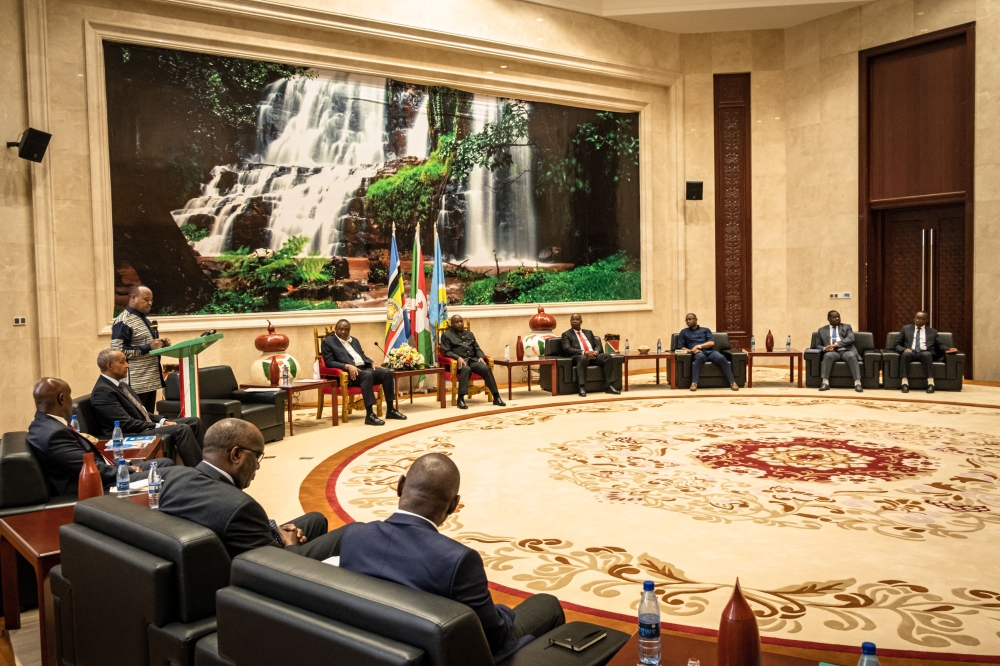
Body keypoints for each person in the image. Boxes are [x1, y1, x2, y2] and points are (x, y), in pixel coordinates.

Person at [339, 453, 564, 661]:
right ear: (454, 505)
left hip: (363, 653)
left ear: (400, 486)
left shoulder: (354, 536)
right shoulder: (458, 560)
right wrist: (503, 612)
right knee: (547, 604)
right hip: (442, 657)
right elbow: (494, 638)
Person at [159, 419, 347, 560]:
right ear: (236, 454)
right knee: (349, 534)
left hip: (223, 555)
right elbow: (279, 568)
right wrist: (290, 544)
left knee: (316, 519)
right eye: (257, 457)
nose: (257, 466)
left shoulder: (174, 479)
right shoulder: (241, 506)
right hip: (259, 575)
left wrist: (272, 529)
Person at [26, 377, 173, 496]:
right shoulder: (55, 434)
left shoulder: (42, 424)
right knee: (173, 474)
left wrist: (124, 465)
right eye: (70, 396)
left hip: (107, 471)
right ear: (62, 398)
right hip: (101, 486)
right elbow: (91, 470)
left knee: (165, 463)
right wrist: (129, 470)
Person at [90, 349, 205, 466]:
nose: (127, 365)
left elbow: (142, 411)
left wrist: (163, 421)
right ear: (110, 365)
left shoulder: (121, 385)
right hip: (129, 433)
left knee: (195, 422)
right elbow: (125, 424)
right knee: (182, 429)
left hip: (140, 426)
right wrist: (157, 425)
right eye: (122, 362)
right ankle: (199, 472)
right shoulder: (103, 391)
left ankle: (206, 464)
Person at [321, 319, 407, 426]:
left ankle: (390, 410)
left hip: (364, 369)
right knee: (367, 375)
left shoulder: (354, 340)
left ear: (349, 330)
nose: (343, 332)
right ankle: (370, 415)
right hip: (349, 374)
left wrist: (371, 362)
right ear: (336, 329)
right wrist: (347, 366)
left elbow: (362, 356)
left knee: (386, 373)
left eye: (346, 329)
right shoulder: (328, 342)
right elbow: (329, 362)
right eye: (340, 329)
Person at [111, 285, 171, 413]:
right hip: (136, 382)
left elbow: (146, 345)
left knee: (149, 419)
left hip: (150, 380)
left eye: (151, 300)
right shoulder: (124, 321)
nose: (150, 303)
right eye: (146, 299)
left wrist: (161, 344)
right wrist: (148, 347)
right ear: (133, 298)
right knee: (139, 419)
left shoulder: (143, 319)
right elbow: (117, 351)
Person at [440, 315, 505, 409]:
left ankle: (496, 397)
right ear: (452, 324)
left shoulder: (469, 334)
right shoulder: (446, 335)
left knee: (485, 368)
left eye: (461, 321)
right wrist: (458, 358)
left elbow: (477, 348)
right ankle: (460, 399)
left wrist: (481, 356)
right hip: (460, 362)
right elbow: (446, 351)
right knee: (466, 369)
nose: (460, 324)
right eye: (457, 322)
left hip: (473, 360)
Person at [893, 311, 958, 394]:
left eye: (920, 318)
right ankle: (904, 383)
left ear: (926, 320)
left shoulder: (932, 331)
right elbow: (897, 344)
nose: (917, 320)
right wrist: (903, 349)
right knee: (905, 354)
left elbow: (939, 344)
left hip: (925, 351)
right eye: (916, 318)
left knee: (927, 355)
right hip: (911, 351)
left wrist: (948, 349)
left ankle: (931, 383)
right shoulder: (906, 329)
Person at [558, 313, 622, 397]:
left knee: (607, 357)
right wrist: (584, 353)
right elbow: (567, 349)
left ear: (581, 321)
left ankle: (609, 386)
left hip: (593, 356)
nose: (574, 321)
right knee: (582, 358)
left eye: (577, 319)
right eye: (572, 319)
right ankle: (581, 387)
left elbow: (597, 345)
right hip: (578, 357)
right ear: (570, 321)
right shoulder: (566, 334)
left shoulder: (588, 332)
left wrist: (596, 352)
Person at [676, 313, 739, 391]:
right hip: (697, 353)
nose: (688, 321)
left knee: (721, 357)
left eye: (690, 319)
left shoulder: (705, 330)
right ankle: (694, 383)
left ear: (696, 320)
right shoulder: (684, 332)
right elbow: (681, 347)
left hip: (710, 352)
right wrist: (691, 351)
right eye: (686, 320)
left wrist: (698, 346)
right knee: (700, 357)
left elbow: (711, 343)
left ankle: (733, 382)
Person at [815, 310, 863, 392]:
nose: (837, 318)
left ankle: (857, 383)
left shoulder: (846, 327)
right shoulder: (822, 330)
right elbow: (817, 345)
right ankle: (825, 383)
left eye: (838, 317)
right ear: (828, 319)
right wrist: (825, 348)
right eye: (834, 317)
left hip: (846, 350)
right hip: (832, 352)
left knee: (852, 356)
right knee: (827, 356)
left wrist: (836, 344)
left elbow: (851, 338)